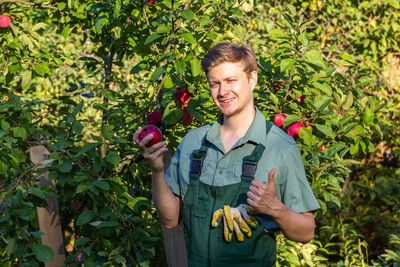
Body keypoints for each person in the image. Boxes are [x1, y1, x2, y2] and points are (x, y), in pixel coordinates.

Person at [134, 42, 320, 266]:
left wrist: (276, 209)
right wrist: (156, 170)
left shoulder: (279, 147)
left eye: (231, 81)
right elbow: (171, 219)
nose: (223, 92)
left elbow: (306, 231)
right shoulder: (194, 143)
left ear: (252, 79)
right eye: (215, 84)